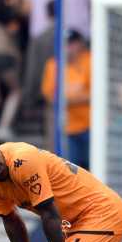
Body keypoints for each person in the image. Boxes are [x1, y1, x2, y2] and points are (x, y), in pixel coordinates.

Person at [41, 32, 92, 170]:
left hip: (90, 124)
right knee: (72, 171)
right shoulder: (53, 64)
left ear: (80, 44)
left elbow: (96, 93)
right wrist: (79, 97)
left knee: (93, 167)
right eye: (66, 44)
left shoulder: (90, 60)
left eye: (72, 43)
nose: (68, 47)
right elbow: (50, 96)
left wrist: (68, 99)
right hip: (67, 127)